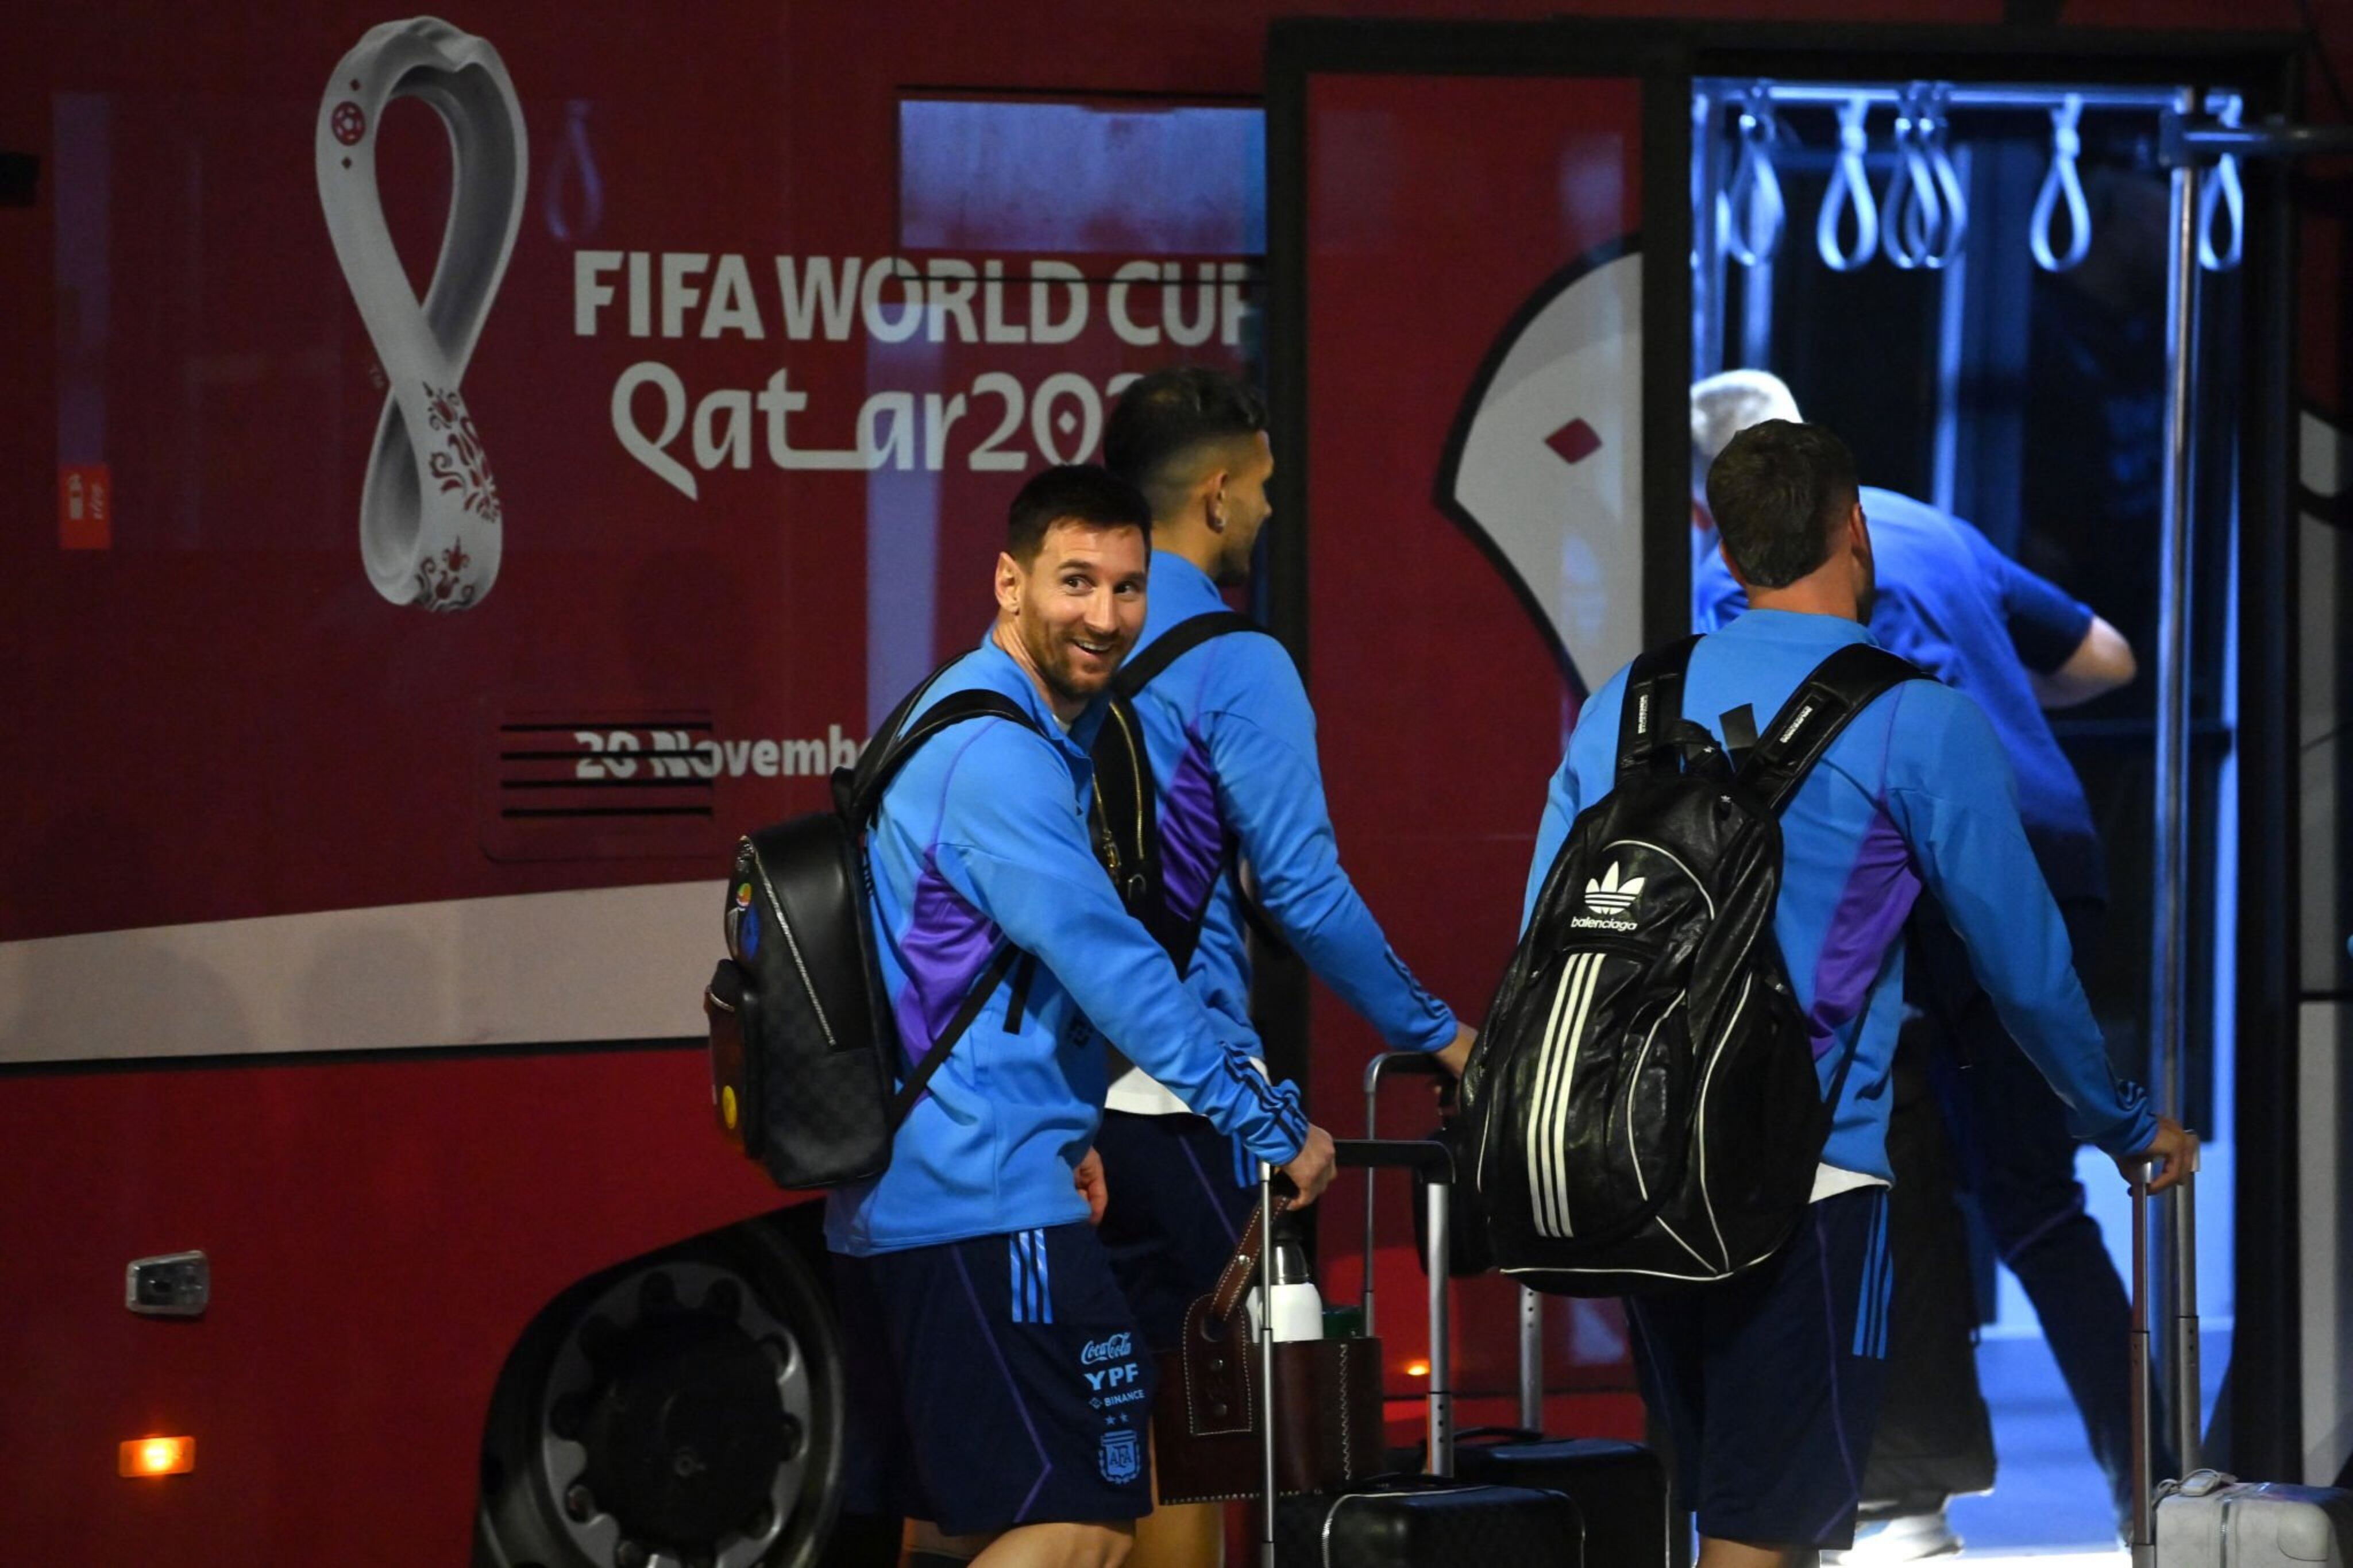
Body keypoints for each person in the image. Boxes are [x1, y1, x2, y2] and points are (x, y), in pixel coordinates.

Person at [1523, 418, 2194, 1568]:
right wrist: (2122, 1119)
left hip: (1627, 1165)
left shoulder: (1624, 708)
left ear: (1722, 553)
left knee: (1719, 1503)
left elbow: (1542, 929)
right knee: (1768, 1522)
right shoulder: (1912, 719)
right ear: (1852, 530)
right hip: (1810, 1174)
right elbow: (2023, 969)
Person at [826, 462, 1340, 1568]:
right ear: (1008, 583)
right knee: (1087, 1523)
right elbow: (1122, 974)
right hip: (980, 1204)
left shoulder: (952, 711)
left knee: (968, 1528)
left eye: (1126, 587)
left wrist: (1075, 1128)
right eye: (1074, 583)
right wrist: (1270, 1127)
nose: (1104, 617)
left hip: (937, 1194)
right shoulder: (999, 757)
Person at [1690, 372, 2159, 1544]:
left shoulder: (1733, 592)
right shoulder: (1927, 524)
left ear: (1721, 507)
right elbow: (2105, 657)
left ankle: (1904, 1496)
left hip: (1924, 877)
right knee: (2041, 1206)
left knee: (1888, 1161)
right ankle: (2146, 1483)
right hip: (2052, 851)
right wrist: (2000, 704)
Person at [1096, 366, 1475, 1567]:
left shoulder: (1049, 639)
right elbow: (1300, 891)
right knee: (1199, 1431)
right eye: (1257, 488)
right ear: (1212, 495)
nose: (1266, 510)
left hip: (1059, 1093)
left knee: (1104, 1431)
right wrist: (1440, 1033)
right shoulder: (1232, 660)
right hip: (1181, 1095)